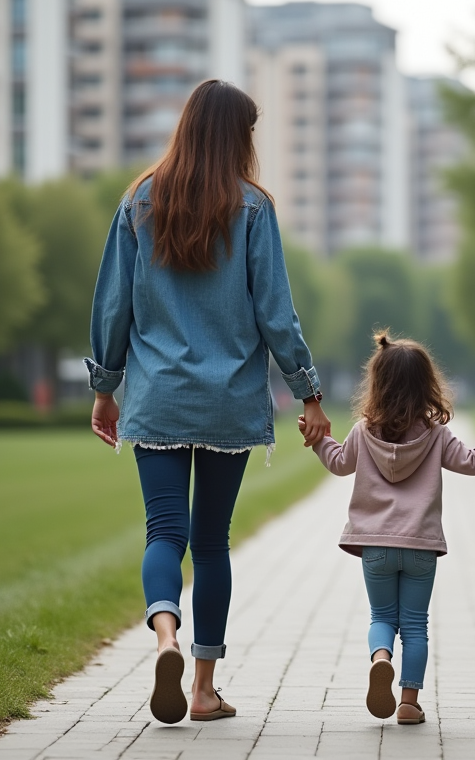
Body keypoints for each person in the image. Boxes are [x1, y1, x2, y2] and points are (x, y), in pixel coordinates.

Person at [86, 80, 331, 725]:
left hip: (158, 399)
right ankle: (201, 689)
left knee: (163, 532)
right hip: (228, 403)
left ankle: (164, 637)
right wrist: (308, 391)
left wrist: (105, 387)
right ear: (238, 136)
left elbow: (113, 304)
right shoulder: (253, 208)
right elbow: (275, 313)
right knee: (212, 542)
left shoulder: (139, 200)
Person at [303, 333, 475, 725]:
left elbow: (339, 464)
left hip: (375, 547)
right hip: (422, 546)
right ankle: (408, 702)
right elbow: (472, 462)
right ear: (428, 385)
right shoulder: (436, 435)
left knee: (382, 618)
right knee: (416, 626)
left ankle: (381, 658)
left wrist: (319, 439)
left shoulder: (362, 432)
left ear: (377, 383)